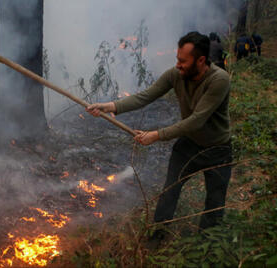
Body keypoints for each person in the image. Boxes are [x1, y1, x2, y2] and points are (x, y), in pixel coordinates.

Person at [86, 32, 232, 236]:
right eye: (177, 59)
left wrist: (156, 135)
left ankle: (208, 248)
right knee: (169, 192)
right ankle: (158, 236)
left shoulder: (219, 80)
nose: (178, 65)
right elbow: (145, 96)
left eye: (183, 61)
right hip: (188, 145)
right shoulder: (176, 75)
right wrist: (109, 106)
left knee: (215, 203)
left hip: (218, 149)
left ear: (200, 60)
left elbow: (197, 120)